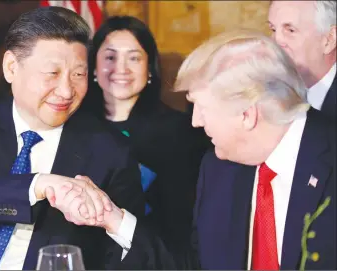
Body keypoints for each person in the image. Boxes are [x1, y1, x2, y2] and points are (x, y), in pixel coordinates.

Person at [64, 29, 336, 270]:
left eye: (201, 107)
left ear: (247, 114)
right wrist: (113, 218)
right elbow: (193, 266)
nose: (195, 121)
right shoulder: (219, 167)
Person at [0, 7, 144, 270]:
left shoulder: (110, 150)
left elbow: (132, 248)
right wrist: (38, 185)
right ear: (12, 68)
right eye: (52, 73)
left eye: (78, 74)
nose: (67, 91)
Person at [80, 15, 210, 248]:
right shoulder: (74, 126)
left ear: (149, 68)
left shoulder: (182, 132)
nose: (121, 68)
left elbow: (182, 220)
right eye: (110, 57)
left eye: (134, 58)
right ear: (94, 67)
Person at [268, 0, 336, 120]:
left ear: (329, 40)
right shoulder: (265, 92)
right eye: (273, 29)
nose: (275, 42)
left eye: (290, 30)